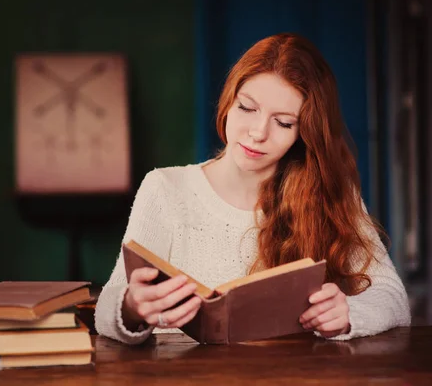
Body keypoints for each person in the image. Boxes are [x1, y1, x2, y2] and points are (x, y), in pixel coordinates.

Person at [94, 33, 411, 345]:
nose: (259, 132)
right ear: (228, 101)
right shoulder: (165, 188)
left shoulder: (330, 193)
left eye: (284, 123)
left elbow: (393, 298)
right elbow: (107, 305)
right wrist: (133, 306)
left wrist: (347, 312)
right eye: (247, 108)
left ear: (305, 133)